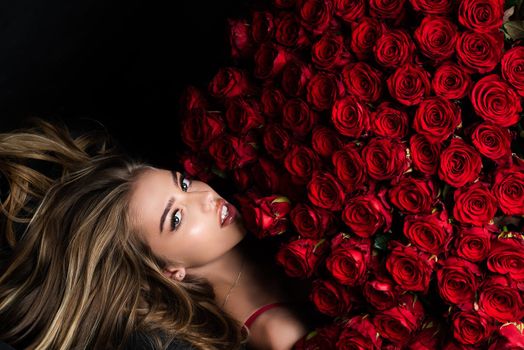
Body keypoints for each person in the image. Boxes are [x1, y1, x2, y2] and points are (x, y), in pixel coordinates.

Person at [0, 118, 311, 350]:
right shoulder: (277, 331)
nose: (205, 198)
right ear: (170, 269)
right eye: (176, 218)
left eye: (185, 184)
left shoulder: (255, 205)